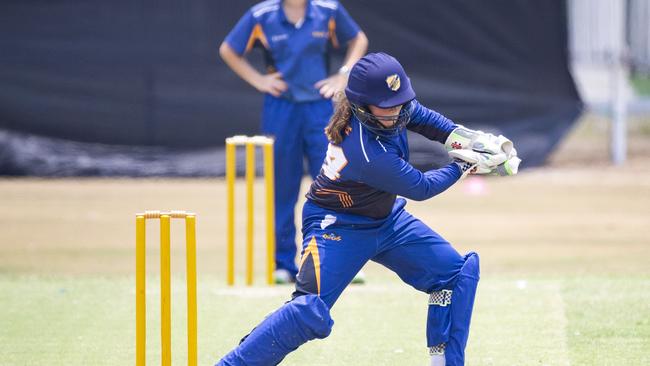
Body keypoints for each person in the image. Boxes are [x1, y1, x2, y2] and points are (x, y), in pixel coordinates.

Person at [215, 53, 519, 366]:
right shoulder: (364, 150)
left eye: (400, 102)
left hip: (387, 220)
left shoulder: (392, 106)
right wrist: (464, 164)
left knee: (456, 275)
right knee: (310, 311)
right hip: (336, 227)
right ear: (362, 106)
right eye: (387, 106)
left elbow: (428, 121)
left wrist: (466, 137)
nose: (396, 111)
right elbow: (420, 188)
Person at [219, 0, 368, 283]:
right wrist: (259, 81)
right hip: (281, 108)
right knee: (282, 185)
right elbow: (228, 49)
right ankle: (284, 263)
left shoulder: (328, 10)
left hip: (320, 108)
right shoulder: (262, 15)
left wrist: (343, 74)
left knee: (333, 182)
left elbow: (359, 38)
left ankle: (343, 259)